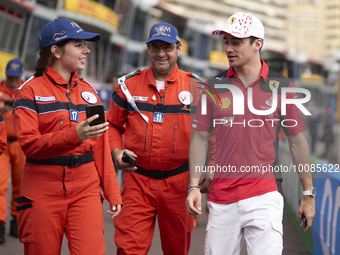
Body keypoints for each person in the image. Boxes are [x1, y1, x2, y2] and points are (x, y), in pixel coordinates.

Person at [186, 12, 315, 255]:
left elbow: (297, 141)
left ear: (258, 44)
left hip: (264, 196)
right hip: (221, 199)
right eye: (225, 42)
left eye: (236, 42)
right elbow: (200, 138)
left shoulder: (282, 86)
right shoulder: (212, 86)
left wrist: (308, 194)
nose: (228, 48)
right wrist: (193, 186)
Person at [12, 18, 122, 254]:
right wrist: (74, 135)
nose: (87, 50)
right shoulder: (28, 91)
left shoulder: (90, 92)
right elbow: (29, 145)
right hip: (42, 187)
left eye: (85, 44)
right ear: (56, 50)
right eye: (79, 44)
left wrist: (112, 192)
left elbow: (101, 147)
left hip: (86, 188)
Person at [107, 22, 203, 255]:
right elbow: (112, 125)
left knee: (177, 250)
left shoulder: (197, 88)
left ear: (178, 49)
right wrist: (116, 152)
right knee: (128, 249)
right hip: (137, 182)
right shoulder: (128, 86)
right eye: (155, 47)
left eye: (167, 47)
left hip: (179, 184)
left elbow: (208, 137)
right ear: (148, 49)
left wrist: (197, 181)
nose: (161, 53)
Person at [0, 58, 25, 243]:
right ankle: (0, 224)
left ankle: (17, 220)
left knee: (20, 185)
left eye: (15, 77)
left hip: (20, 143)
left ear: (21, 76)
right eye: (10, 76)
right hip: (2, 143)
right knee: (1, 184)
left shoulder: (27, 90)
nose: (12, 81)